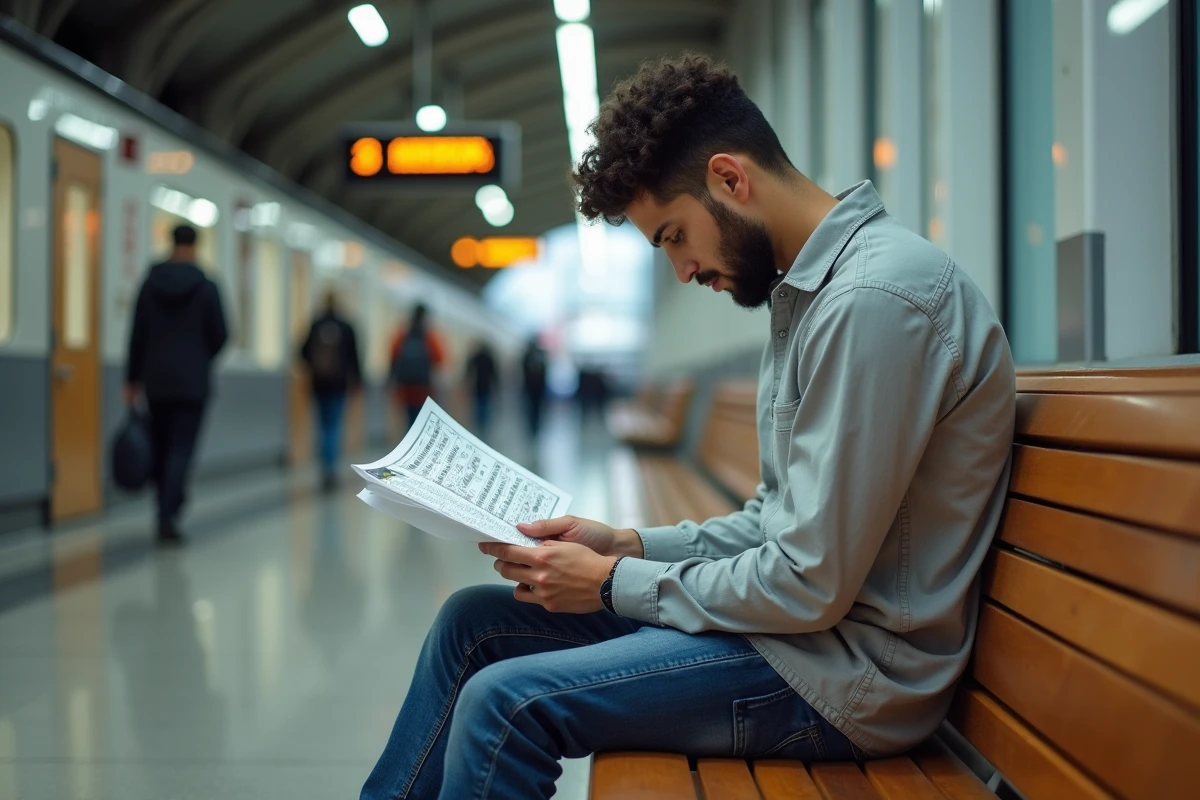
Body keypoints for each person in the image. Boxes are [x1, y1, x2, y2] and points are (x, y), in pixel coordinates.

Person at [360, 54, 1015, 800]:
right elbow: (776, 521)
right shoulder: (813, 295)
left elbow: (808, 583)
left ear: (730, 179)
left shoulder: (872, 303)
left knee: (504, 705)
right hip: (798, 638)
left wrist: (612, 584)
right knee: (471, 623)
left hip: (847, 676)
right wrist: (625, 546)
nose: (681, 270)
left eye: (674, 236)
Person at [125, 224, 228, 545]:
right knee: (182, 448)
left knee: (160, 444)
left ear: (171, 244)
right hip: (193, 382)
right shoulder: (207, 287)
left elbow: (137, 333)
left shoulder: (149, 283)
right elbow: (221, 334)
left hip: (156, 380)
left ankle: (164, 506)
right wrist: (199, 357)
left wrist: (131, 378)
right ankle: (168, 515)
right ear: (195, 246)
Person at [300, 290, 363, 491]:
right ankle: (331, 468)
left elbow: (302, 352)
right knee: (333, 426)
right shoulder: (346, 326)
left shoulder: (316, 325)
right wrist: (357, 382)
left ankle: (324, 467)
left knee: (322, 425)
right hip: (338, 384)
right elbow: (354, 357)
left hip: (319, 384)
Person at [389, 304, 444, 428]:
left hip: (406, 386)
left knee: (410, 418)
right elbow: (440, 358)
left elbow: (393, 358)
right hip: (424, 387)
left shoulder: (403, 336)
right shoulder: (429, 337)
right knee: (422, 420)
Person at [465, 341, 498, 433]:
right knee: (485, 405)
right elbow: (494, 374)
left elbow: (469, 369)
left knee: (479, 405)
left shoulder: (476, 357)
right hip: (486, 386)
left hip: (478, 385)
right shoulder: (489, 358)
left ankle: (479, 423)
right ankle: (484, 424)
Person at [521, 337, 548, 435]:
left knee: (534, 408)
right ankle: (533, 425)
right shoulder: (535, 355)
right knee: (533, 407)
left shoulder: (532, 355)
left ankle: (534, 425)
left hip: (535, 387)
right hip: (534, 387)